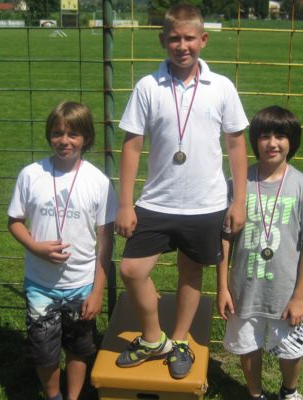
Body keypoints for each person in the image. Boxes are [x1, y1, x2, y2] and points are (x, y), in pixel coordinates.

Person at [114, 4, 249, 379]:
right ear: (163, 41)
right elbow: (131, 146)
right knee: (131, 269)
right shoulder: (148, 86)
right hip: (156, 201)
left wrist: (238, 200)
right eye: (174, 38)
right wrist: (125, 203)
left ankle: (180, 340)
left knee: (191, 273)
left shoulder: (221, 87)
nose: (182, 45)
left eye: (190, 38)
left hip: (205, 204)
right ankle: (153, 338)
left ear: (203, 40)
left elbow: (236, 145)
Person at [7, 101, 117, 400]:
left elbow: (106, 241)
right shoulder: (31, 174)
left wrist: (97, 291)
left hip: (81, 285)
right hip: (40, 285)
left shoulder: (98, 182)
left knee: (79, 348)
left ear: (86, 137)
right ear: (49, 135)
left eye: (73, 134)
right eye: (57, 133)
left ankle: (73, 396)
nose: (64, 141)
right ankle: (54, 395)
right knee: (44, 352)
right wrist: (35, 247)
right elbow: (14, 221)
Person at [217, 105, 303, 400]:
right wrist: (222, 287)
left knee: (291, 350)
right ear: (255, 141)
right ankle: (255, 394)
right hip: (244, 289)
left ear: (292, 141)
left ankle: (288, 391)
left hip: (286, 292)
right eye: (264, 136)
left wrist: (299, 296)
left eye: (280, 136)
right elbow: (225, 238)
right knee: (247, 346)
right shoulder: (239, 184)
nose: (272, 143)